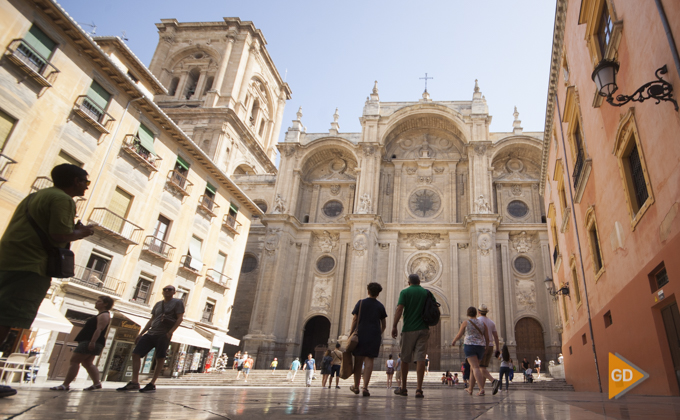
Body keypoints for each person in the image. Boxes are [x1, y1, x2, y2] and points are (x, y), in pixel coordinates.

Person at [0, 164, 94, 398]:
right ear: (74, 181)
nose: (86, 186)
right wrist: (84, 232)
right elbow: (59, 236)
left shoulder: (36, 196)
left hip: (8, 260)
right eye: (85, 182)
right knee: (5, 318)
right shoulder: (63, 199)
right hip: (30, 265)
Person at [117, 285, 184, 392]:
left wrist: (170, 332)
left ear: (174, 292)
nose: (167, 291)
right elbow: (152, 319)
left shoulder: (177, 302)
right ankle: (134, 381)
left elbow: (180, 318)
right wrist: (141, 333)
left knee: (160, 358)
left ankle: (152, 383)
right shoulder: (158, 304)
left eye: (170, 289)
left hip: (163, 334)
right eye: (165, 289)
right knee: (135, 354)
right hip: (151, 333)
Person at [50, 296, 113, 391]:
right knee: (87, 363)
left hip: (90, 341)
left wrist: (92, 342)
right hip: (91, 341)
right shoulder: (102, 314)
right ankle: (97, 383)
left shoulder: (104, 315)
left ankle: (66, 384)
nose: (96, 302)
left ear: (105, 304)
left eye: (99, 301)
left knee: (74, 361)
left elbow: (99, 329)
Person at [391, 274, 432, 399]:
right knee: (420, 359)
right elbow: (434, 307)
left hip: (409, 329)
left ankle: (403, 388)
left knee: (405, 359)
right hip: (424, 329)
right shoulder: (426, 293)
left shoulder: (405, 292)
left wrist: (394, 326)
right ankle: (419, 389)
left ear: (409, 282)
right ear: (420, 282)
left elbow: (399, 309)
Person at [349, 282, 387, 397]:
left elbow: (355, 319)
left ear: (368, 291)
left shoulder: (361, 303)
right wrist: (378, 333)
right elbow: (384, 324)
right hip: (374, 335)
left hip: (360, 334)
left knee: (358, 361)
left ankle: (356, 386)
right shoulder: (380, 306)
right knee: (369, 360)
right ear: (378, 294)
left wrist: (351, 333)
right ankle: (365, 387)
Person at [451, 306, 489, 396]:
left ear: (468, 314)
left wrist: (454, 341)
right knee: (473, 368)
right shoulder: (483, 323)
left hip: (470, 346)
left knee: (475, 367)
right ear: (476, 313)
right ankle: (470, 389)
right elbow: (487, 337)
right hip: (480, 347)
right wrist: (486, 346)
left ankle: (481, 389)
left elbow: (460, 334)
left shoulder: (466, 322)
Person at [476, 304, 501, 395]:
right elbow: (496, 337)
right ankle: (481, 390)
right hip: (490, 346)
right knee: (484, 367)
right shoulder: (491, 322)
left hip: (481, 346)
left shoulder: (477, 321)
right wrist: (497, 348)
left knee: (479, 367)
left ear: (478, 312)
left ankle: (493, 381)